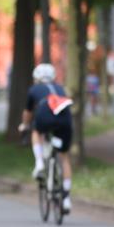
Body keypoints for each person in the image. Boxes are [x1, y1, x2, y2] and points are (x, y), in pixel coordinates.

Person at [20, 63, 73, 213]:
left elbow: (27, 113)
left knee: (36, 132)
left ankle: (39, 163)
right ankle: (67, 198)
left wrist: (24, 125)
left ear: (36, 78)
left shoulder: (34, 89)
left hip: (44, 115)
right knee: (64, 157)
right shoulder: (60, 88)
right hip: (65, 119)